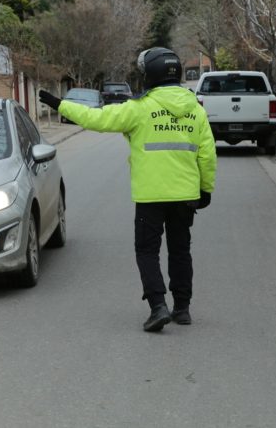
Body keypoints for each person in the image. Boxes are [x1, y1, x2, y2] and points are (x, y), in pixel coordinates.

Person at [39, 47, 217, 332]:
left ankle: (158, 306)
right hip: (185, 195)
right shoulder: (196, 110)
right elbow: (207, 155)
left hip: (150, 196)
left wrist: (60, 105)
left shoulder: (140, 108)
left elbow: (97, 119)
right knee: (180, 250)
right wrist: (205, 189)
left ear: (151, 75)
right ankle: (182, 308)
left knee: (147, 251)